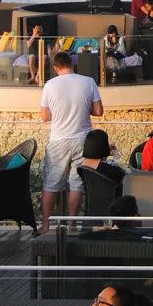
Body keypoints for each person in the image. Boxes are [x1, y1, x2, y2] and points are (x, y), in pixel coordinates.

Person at [39, 51, 104, 234]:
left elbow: (45, 117)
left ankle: (45, 226)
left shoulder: (50, 85)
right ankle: (73, 226)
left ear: (55, 67)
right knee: (77, 184)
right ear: (72, 63)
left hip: (59, 140)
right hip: (83, 139)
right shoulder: (88, 81)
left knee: (51, 184)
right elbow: (99, 111)